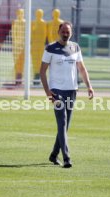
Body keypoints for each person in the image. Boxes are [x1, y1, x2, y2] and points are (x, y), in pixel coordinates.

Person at [40, 22, 94, 168]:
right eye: (63, 31)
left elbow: (82, 69)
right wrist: (47, 92)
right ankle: (67, 158)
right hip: (57, 91)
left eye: (68, 31)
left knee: (65, 126)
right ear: (59, 31)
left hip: (72, 91)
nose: (65, 34)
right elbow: (42, 72)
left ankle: (53, 155)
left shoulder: (75, 47)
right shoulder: (50, 48)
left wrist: (89, 86)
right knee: (62, 122)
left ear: (71, 32)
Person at [31, 9, 47, 84]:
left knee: (40, 60)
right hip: (35, 44)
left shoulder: (43, 23)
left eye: (40, 13)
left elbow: (44, 34)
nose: (39, 15)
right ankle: (35, 75)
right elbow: (32, 33)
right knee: (35, 60)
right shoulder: (33, 23)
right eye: (38, 13)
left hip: (40, 44)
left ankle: (38, 76)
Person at [12, 9, 25, 85]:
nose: (20, 14)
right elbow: (14, 34)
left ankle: (20, 78)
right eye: (19, 13)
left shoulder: (25, 23)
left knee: (22, 62)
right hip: (16, 46)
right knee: (16, 62)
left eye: (21, 13)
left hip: (23, 46)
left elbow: (26, 34)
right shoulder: (15, 22)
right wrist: (16, 43)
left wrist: (23, 43)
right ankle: (17, 78)